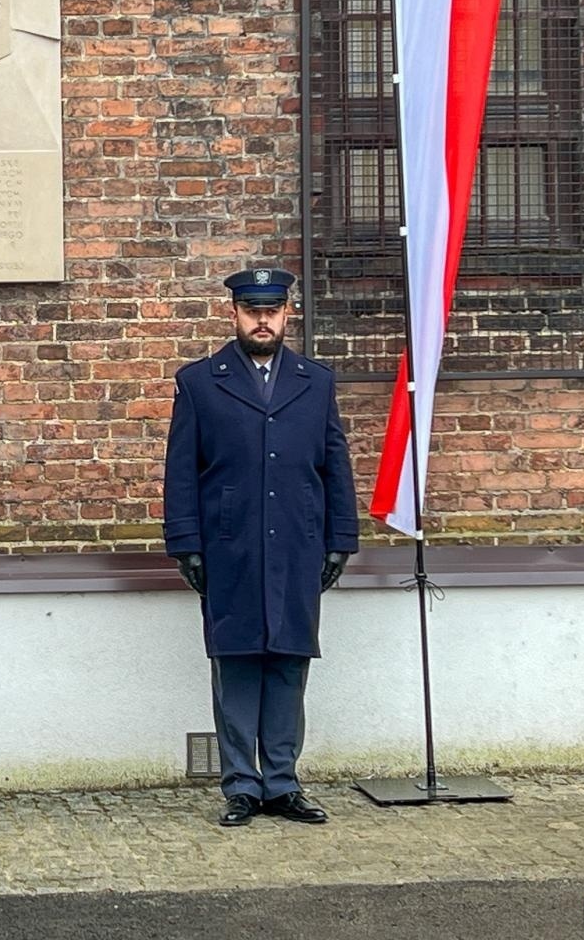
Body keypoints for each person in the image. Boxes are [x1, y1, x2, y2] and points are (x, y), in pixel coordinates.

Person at [162, 268, 358, 827]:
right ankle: (241, 787)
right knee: (238, 664)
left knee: (289, 664)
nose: (263, 320)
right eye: (252, 311)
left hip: (298, 544)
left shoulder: (314, 381)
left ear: (288, 313)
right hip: (231, 546)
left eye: (272, 311)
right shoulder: (200, 382)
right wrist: (185, 544)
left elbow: (334, 464)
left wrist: (340, 538)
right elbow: (181, 472)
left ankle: (282, 782)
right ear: (234, 314)